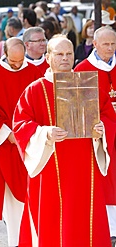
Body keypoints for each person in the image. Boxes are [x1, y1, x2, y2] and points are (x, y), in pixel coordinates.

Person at [13, 34, 116, 246]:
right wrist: (45, 133)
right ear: (48, 57)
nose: (65, 58)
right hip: (50, 167)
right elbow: (21, 125)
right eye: (59, 54)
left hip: (84, 166)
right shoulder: (35, 90)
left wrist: (102, 128)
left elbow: (108, 115)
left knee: (84, 220)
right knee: (54, 224)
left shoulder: (88, 85)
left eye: (69, 54)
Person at [0, 37, 41, 247]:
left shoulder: (32, 72)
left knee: (35, 193)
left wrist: (29, 132)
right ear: (4, 54)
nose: (17, 65)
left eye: (20, 61)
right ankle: (16, 241)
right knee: (12, 200)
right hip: (5, 144)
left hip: (31, 143)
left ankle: (37, 238)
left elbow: (41, 106)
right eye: (13, 62)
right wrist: (8, 134)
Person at [74, 26, 116, 243]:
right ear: (95, 44)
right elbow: (77, 108)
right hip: (100, 136)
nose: (109, 48)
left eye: (113, 44)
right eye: (105, 44)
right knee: (105, 181)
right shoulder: (82, 69)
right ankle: (109, 229)